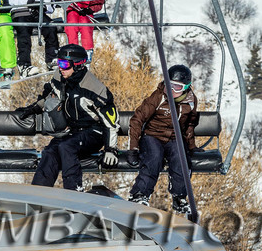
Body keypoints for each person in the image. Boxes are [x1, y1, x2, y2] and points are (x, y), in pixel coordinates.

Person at [22, 43, 119, 191]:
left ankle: (73, 191)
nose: (60, 67)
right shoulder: (60, 77)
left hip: (94, 132)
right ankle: (37, 194)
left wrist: (111, 149)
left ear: (78, 65)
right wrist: (34, 108)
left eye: (65, 64)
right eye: (59, 62)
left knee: (66, 147)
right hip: (72, 131)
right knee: (50, 151)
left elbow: (111, 120)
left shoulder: (93, 88)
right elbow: (49, 94)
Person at [127, 64, 200, 216]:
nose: (172, 90)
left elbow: (189, 125)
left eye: (177, 87)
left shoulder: (191, 101)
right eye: (169, 85)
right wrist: (133, 148)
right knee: (154, 158)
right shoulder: (159, 96)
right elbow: (137, 119)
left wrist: (192, 147)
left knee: (182, 161)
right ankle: (139, 194)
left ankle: (179, 197)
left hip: (174, 138)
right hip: (152, 136)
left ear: (186, 87)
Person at [8, 0, 59, 74]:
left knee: (51, 28)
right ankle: (24, 64)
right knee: (24, 32)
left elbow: (49, 5)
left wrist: (49, 2)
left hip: (38, 12)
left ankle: (52, 59)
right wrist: (28, 2)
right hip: (21, 11)